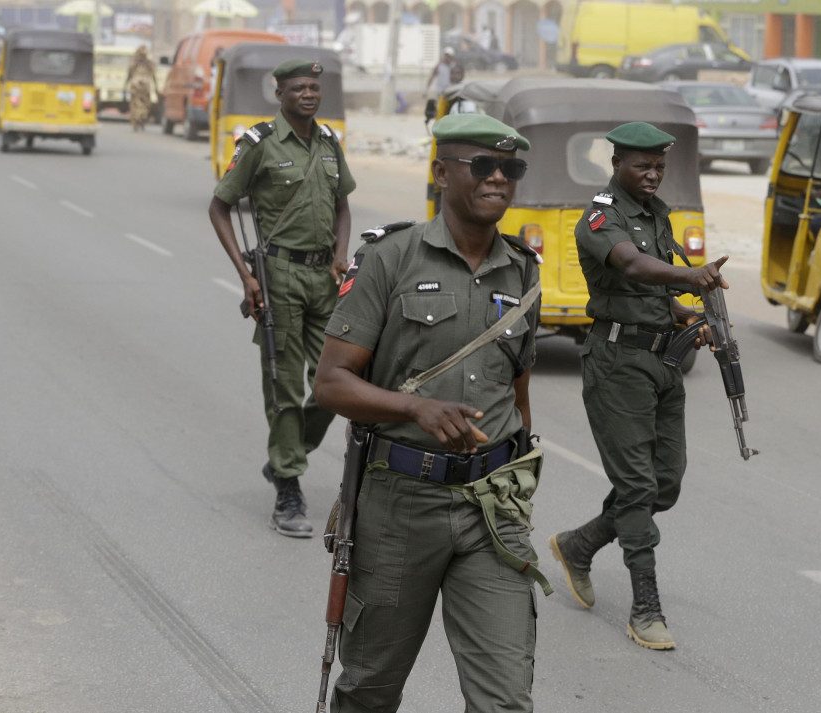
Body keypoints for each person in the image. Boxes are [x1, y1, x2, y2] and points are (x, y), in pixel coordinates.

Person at [312, 112, 542, 712]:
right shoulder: (389, 259)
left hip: (493, 508)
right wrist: (415, 407)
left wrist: (522, 467)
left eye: (510, 169)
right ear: (441, 172)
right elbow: (331, 383)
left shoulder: (524, 271)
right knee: (370, 688)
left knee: (505, 701)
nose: (499, 180)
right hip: (399, 507)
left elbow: (517, 386)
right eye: (484, 166)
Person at [549, 121, 728, 651]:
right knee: (636, 488)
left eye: (658, 167)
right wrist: (691, 276)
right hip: (617, 363)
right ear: (617, 164)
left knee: (665, 484)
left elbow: (652, 285)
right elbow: (629, 264)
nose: (652, 175)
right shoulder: (601, 216)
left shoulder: (657, 214)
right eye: (641, 166)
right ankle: (645, 607)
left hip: (661, 363)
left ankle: (578, 545)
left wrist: (686, 316)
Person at [207, 59, 356, 537]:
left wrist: (340, 252)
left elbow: (343, 204)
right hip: (279, 277)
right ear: (280, 94)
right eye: (299, 88)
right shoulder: (259, 144)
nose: (309, 94)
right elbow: (220, 205)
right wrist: (245, 277)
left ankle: (284, 456)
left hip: (323, 280)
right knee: (285, 388)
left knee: (340, 384)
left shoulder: (329, 143)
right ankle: (288, 485)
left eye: (314, 87)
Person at [125, 45, 157, 132]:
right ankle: (141, 119)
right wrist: (156, 87)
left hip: (136, 85)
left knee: (136, 104)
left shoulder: (134, 62)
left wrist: (125, 85)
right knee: (144, 104)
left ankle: (137, 120)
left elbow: (129, 74)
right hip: (145, 86)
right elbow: (153, 76)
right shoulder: (149, 63)